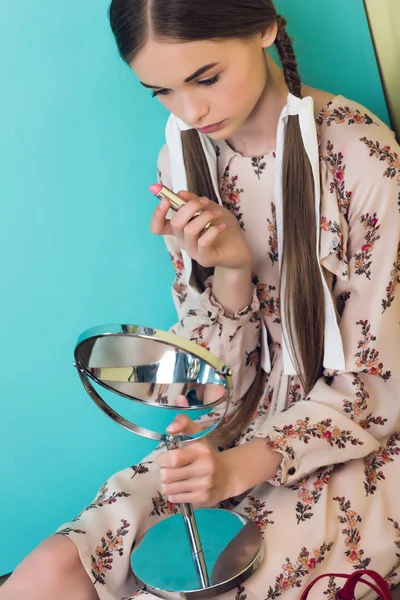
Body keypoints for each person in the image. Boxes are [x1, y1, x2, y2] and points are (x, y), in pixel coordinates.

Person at [2, 1, 400, 599]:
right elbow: (207, 378)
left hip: (354, 440)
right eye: (160, 90)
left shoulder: (364, 160)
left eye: (206, 77)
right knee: (49, 572)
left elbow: (380, 385)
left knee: (209, 586)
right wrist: (232, 273)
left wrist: (241, 467)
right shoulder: (182, 161)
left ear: (264, 29)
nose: (191, 110)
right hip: (232, 426)